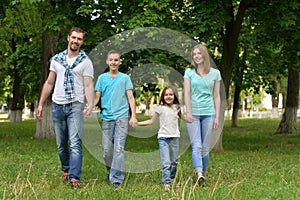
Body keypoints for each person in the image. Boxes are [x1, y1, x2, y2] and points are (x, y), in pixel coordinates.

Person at [36, 27, 94, 189]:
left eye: (79, 39)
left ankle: (74, 178)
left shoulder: (85, 61)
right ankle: (66, 169)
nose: (76, 41)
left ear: (82, 42)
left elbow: (88, 84)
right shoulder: (56, 60)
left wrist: (90, 104)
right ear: (68, 38)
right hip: (58, 105)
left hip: (75, 105)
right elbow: (49, 83)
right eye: (74, 37)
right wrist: (41, 103)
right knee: (61, 144)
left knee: (75, 142)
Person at [94, 50, 137, 188]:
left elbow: (131, 97)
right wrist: (89, 108)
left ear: (120, 62)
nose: (113, 62)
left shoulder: (125, 78)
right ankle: (111, 172)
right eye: (111, 60)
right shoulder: (102, 78)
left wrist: (134, 116)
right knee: (107, 150)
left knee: (118, 149)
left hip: (122, 118)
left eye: (116, 60)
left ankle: (116, 180)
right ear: (107, 62)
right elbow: (97, 97)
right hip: (107, 118)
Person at [137, 86, 191, 191]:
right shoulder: (160, 108)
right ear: (163, 96)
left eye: (170, 94)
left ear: (174, 96)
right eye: (166, 95)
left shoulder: (177, 107)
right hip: (163, 138)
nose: (168, 96)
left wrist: (191, 120)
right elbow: (151, 121)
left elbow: (183, 117)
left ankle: (172, 178)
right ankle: (167, 183)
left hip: (174, 138)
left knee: (174, 162)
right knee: (166, 162)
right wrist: (138, 123)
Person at [184, 44, 221, 186]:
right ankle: (199, 173)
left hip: (209, 113)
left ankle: (202, 176)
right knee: (197, 146)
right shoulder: (189, 72)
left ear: (204, 55)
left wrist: (217, 117)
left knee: (205, 148)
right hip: (193, 114)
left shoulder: (215, 74)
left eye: (199, 53)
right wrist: (189, 112)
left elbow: (216, 96)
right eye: (194, 54)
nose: (196, 56)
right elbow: (187, 94)